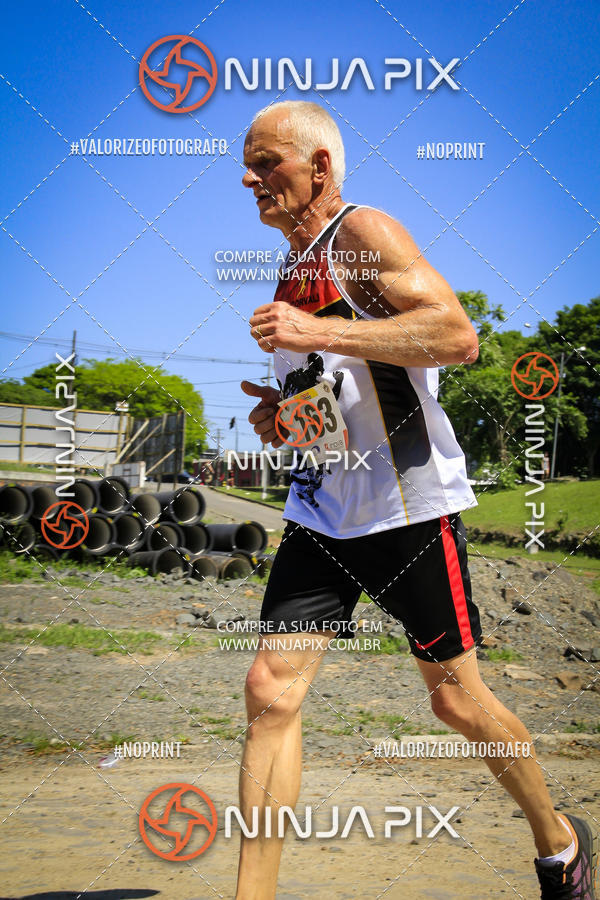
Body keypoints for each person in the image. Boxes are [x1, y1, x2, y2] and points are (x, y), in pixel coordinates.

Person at [237, 100, 597, 900]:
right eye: (248, 164)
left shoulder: (364, 236)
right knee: (270, 690)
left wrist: (316, 333)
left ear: (320, 168)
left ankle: (560, 841)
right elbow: (337, 404)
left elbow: (454, 336)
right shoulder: (292, 271)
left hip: (407, 514)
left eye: (268, 164)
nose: (249, 178)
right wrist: (284, 416)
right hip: (323, 513)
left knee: (458, 706)